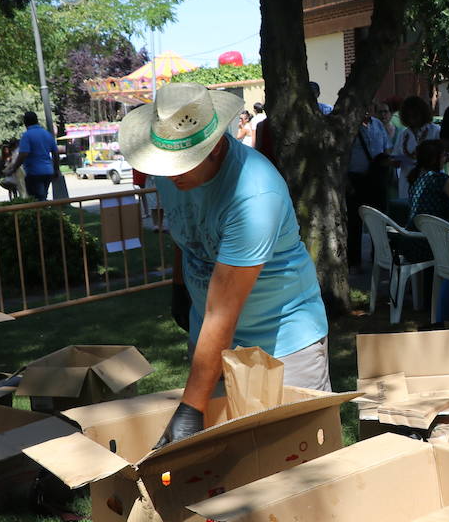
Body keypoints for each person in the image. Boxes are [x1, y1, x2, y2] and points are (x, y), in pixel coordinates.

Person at [119, 83, 331, 447]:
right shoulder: (173, 174)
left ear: (215, 146)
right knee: (226, 470)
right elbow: (185, 230)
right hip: (213, 340)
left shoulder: (254, 193)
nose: (170, 175)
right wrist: (179, 288)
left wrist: (189, 408)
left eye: (181, 164)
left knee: (293, 463)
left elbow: (223, 312)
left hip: (282, 343)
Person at [346, 106, 392, 269]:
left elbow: (387, 147)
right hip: (356, 178)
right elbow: (343, 155)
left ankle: (378, 259)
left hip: (377, 178)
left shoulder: (378, 125)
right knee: (354, 222)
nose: (365, 110)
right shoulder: (349, 126)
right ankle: (354, 262)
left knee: (379, 220)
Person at [401, 139, 449, 263]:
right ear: (434, 159)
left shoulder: (415, 176)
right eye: (444, 155)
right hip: (431, 243)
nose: (446, 158)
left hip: (411, 240)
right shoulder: (441, 179)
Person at [6, 111, 58, 199]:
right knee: (43, 195)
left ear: (25, 122)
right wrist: (56, 169)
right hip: (48, 171)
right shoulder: (47, 134)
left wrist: (13, 168)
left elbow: (23, 154)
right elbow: (55, 153)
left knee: (36, 199)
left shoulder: (26, 136)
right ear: (37, 120)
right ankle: (44, 209)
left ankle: (41, 210)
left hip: (34, 172)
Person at [393, 95, 440, 191]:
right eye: (409, 116)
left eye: (415, 115)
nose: (412, 119)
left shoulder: (435, 130)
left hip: (431, 183)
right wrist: (394, 161)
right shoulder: (403, 134)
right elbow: (395, 156)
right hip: (407, 184)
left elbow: (446, 156)